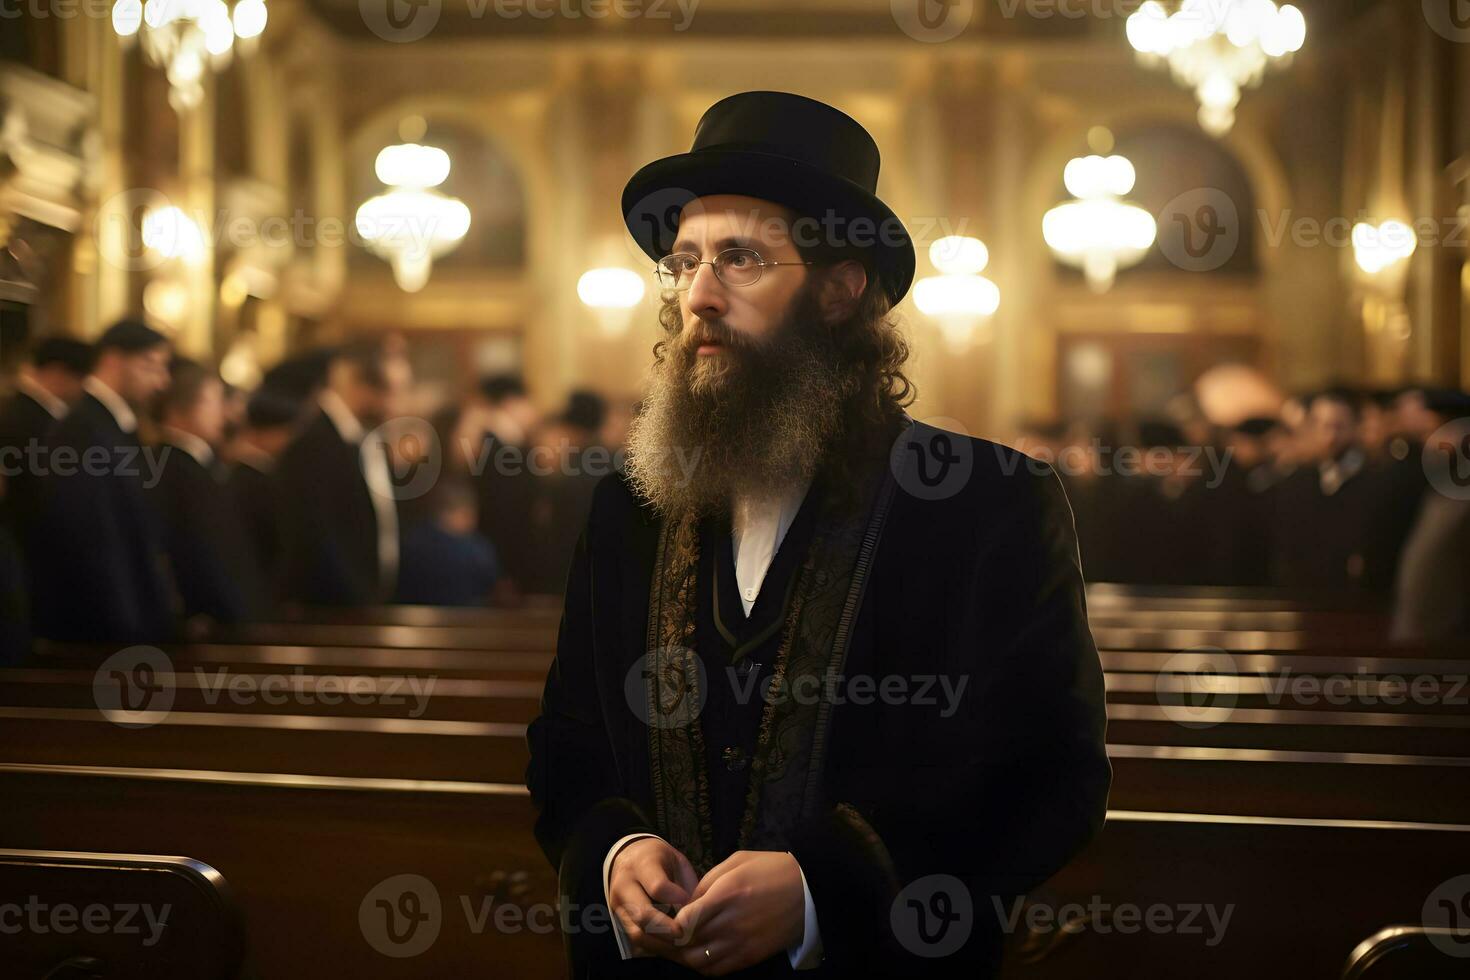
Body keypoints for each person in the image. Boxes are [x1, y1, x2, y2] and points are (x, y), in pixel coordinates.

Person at [525, 91, 1110, 979]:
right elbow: (566, 745)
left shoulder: (990, 504)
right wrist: (615, 854)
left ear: (840, 290)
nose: (700, 298)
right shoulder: (629, 505)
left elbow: (1051, 779)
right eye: (683, 265)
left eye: (741, 260)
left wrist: (817, 891)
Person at [30, 319, 174, 642]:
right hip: (102, 631)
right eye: (150, 366)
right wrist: (126, 628)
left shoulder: (113, 426)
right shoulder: (81, 430)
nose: (161, 381)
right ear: (112, 359)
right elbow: (94, 540)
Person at [276, 339, 411, 606]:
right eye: (391, 392)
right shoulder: (315, 443)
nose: (400, 405)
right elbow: (319, 537)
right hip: (337, 608)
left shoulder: (365, 436)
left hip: (372, 600)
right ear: (357, 384)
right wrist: (358, 597)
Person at [150, 358, 264, 624]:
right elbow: (202, 555)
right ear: (178, 409)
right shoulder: (172, 467)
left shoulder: (199, 462)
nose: (223, 414)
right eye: (212, 402)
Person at [393, 478, 500, 606]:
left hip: (413, 620)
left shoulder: (410, 543)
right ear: (466, 511)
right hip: (471, 620)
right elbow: (493, 585)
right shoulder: (477, 550)